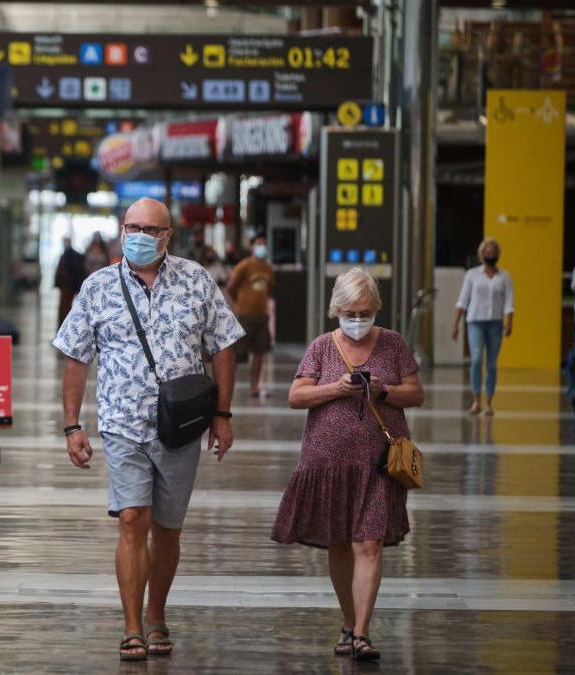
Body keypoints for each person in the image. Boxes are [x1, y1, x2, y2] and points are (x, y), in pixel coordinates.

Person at [53, 198, 243, 662]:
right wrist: (72, 424)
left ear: (167, 236)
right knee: (133, 519)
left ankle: (157, 613)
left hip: (181, 426)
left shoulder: (196, 280)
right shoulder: (97, 287)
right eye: (132, 226)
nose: (139, 235)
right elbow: (76, 356)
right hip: (122, 423)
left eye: (150, 229)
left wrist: (222, 414)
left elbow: (223, 347)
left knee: (168, 528)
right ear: (121, 229)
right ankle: (132, 625)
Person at [272, 267, 424, 663]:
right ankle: (347, 621)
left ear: (376, 308)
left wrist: (383, 390)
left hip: (377, 464)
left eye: (365, 311)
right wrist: (335, 388)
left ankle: (362, 633)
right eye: (351, 312)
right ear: (336, 309)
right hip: (328, 462)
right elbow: (295, 395)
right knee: (339, 542)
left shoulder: (392, 344)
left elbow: (416, 393)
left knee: (369, 542)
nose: (358, 320)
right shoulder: (322, 346)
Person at [451, 238, 514, 415]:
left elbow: (509, 303)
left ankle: (489, 403)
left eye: (494, 252)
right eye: (487, 252)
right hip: (475, 321)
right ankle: (476, 401)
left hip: (495, 323)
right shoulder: (472, 275)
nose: (490, 254)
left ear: (498, 254)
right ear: (481, 254)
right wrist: (455, 323)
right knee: (477, 359)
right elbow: (462, 301)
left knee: (492, 363)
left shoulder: (505, 276)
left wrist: (509, 322)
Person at [227, 234, 275, 398]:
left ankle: (254, 387)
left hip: (261, 315)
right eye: (259, 244)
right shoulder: (244, 266)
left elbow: (268, 289)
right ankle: (228, 385)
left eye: (264, 244)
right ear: (252, 246)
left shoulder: (268, 268)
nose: (262, 247)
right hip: (245, 315)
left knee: (259, 352)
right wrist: (238, 304)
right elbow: (231, 286)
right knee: (237, 354)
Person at [54, 237, 88, 325]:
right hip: (66, 286)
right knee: (63, 307)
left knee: (66, 307)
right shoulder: (65, 255)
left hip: (69, 285)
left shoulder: (71, 255)